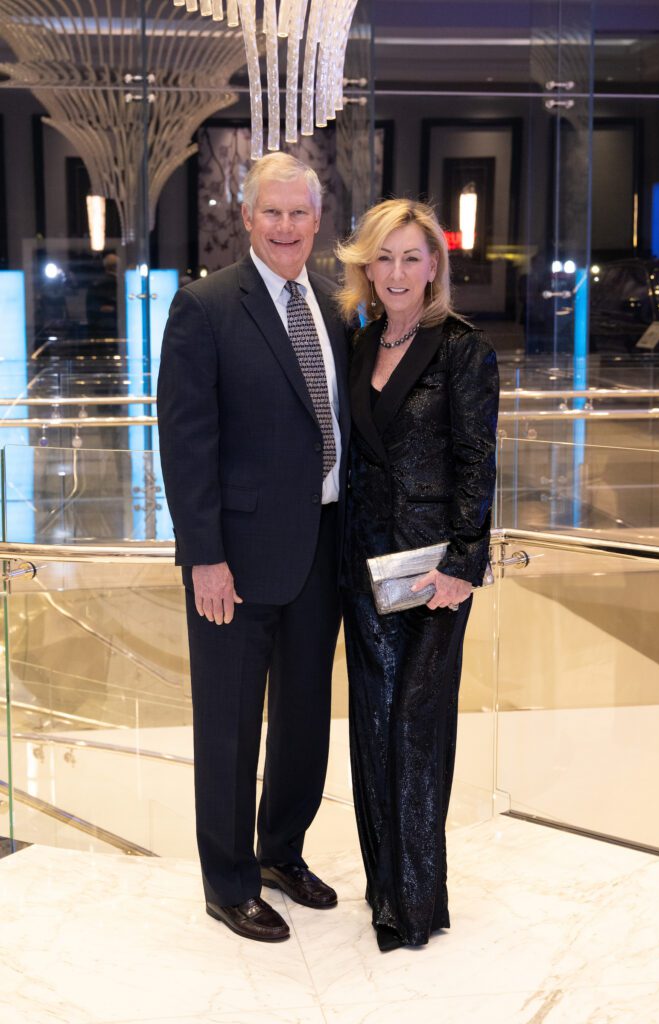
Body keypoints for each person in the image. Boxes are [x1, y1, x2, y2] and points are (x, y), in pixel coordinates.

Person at [157, 152, 350, 943]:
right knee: (231, 724)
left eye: (298, 213)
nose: (284, 227)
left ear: (317, 220)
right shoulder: (204, 307)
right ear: (245, 218)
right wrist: (204, 554)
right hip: (233, 561)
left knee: (305, 717)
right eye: (270, 213)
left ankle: (281, 853)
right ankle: (228, 881)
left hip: (323, 546)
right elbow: (185, 440)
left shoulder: (336, 306)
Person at [336, 199, 499, 952]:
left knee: (415, 728)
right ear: (366, 266)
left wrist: (465, 563)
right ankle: (385, 896)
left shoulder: (461, 349)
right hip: (363, 567)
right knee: (372, 727)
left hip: (432, 573)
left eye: (411, 257)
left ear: (433, 265)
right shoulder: (360, 341)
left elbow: (475, 460)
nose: (397, 272)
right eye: (384, 257)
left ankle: (417, 898)